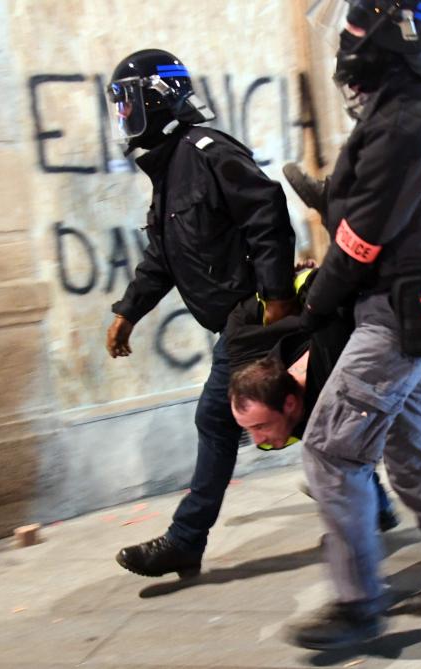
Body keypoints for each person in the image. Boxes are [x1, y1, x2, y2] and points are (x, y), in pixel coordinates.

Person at [289, 0, 421, 650]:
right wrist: (325, 194)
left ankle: (357, 604)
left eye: (355, 24)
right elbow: (376, 200)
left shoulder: (412, 113)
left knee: (330, 448)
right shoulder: (405, 104)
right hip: (409, 305)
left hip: (401, 310)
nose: (346, 38)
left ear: (385, 33)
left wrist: (314, 304)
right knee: (414, 454)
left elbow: (365, 232)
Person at [103, 49, 298, 578]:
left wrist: (277, 295)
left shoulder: (208, 151)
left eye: (126, 102)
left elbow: (268, 210)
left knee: (216, 417)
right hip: (237, 319)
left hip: (252, 315)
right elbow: (163, 256)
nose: (122, 115)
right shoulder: (170, 168)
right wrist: (129, 312)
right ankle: (374, 502)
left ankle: (186, 540)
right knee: (310, 409)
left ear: (154, 97)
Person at [222, 268, 400, 532]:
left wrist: (304, 286)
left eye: (259, 427)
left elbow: (330, 283)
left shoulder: (333, 354)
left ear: (289, 404)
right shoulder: (249, 359)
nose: (257, 441)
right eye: (250, 429)